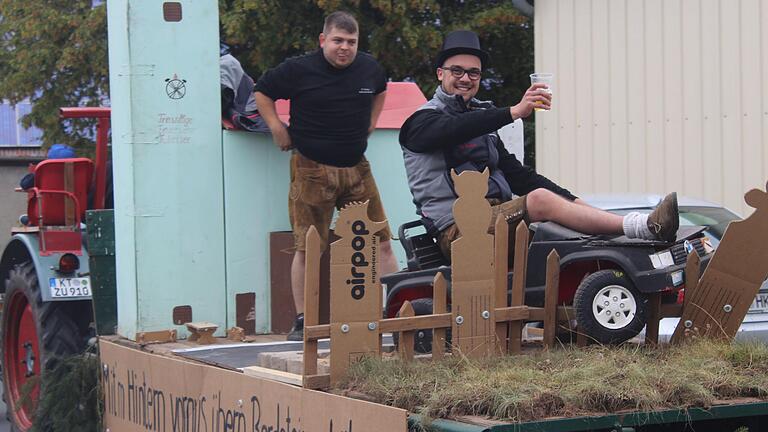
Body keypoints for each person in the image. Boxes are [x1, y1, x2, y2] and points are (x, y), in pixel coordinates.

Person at [399, 30, 679, 261]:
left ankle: (623, 244)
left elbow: (520, 177)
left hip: (497, 219)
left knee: (564, 240)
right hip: (459, 230)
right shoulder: (421, 123)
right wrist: (513, 112)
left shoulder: (482, 125)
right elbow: (453, 128)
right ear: (439, 73)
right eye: (457, 71)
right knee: (539, 202)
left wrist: (576, 202)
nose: (465, 78)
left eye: (474, 73)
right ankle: (642, 227)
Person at [254, 11, 400, 341]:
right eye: (337, 41)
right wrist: (277, 127)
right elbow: (261, 91)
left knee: (383, 243)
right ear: (323, 40)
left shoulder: (370, 68)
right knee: (308, 248)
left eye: (351, 42)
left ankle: (394, 313)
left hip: (357, 169)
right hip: (311, 169)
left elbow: (380, 90)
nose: (344, 48)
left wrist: (373, 121)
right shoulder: (298, 69)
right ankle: (303, 321)